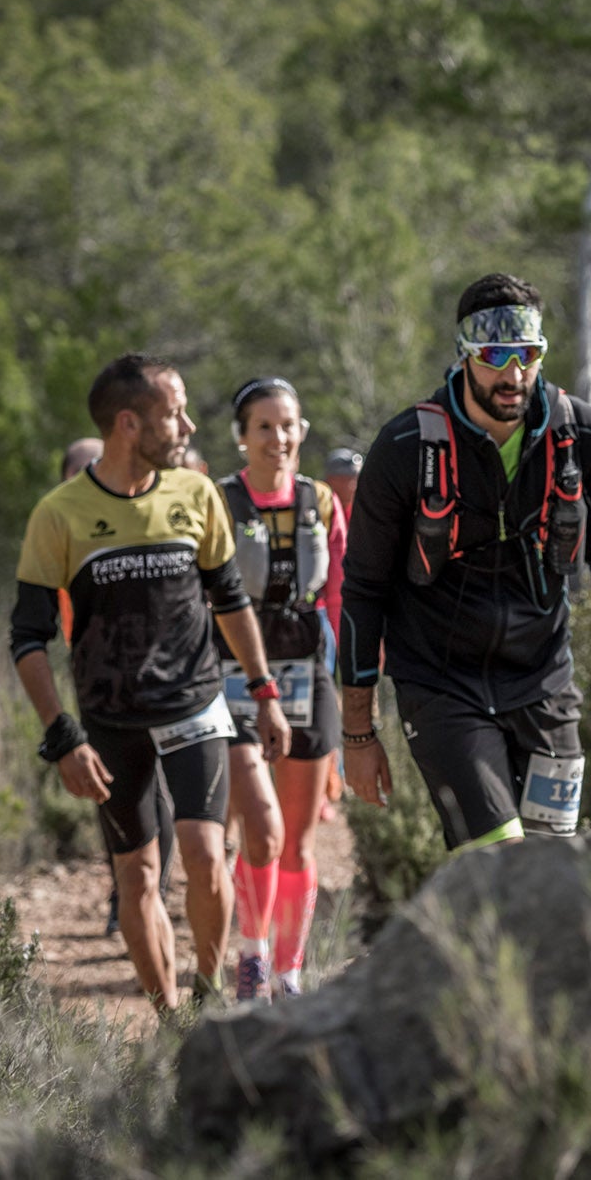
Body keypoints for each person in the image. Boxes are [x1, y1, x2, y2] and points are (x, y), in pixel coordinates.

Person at [12, 354, 291, 1011]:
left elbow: (230, 602)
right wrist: (62, 736)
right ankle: (169, 1018)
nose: (189, 425)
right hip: (110, 718)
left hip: (196, 700)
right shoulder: (60, 514)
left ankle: (208, 989)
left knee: (202, 848)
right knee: (136, 872)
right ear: (129, 423)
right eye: (174, 413)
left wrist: (263, 691)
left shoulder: (196, 496)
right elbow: (28, 638)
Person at [337, 274, 591, 849]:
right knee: (500, 854)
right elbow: (363, 590)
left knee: (554, 863)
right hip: (440, 683)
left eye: (527, 354)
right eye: (495, 356)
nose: (513, 374)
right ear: (465, 355)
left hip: (544, 680)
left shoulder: (580, 434)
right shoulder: (405, 447)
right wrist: (358, 732)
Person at [215, 376, 348, 1001]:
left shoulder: (321, 500)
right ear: (242, 436)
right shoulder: (219, 502)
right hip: (235, 676)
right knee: (261, 831)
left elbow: (341, 597)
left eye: (289, 425)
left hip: (307, 671)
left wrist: (355, 687)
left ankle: (291, 973)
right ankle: (252, 959)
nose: (279, 438)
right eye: (264, 426)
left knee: (296, 841)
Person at [59, 436, 180, 939]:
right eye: (80, 470)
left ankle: (149, 891)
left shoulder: (138, 522)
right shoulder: (59, 531)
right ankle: (126, 891)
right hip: (93, 682)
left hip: (158, 679)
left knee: (158, 791)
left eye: (98, 466)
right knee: (110, 790)